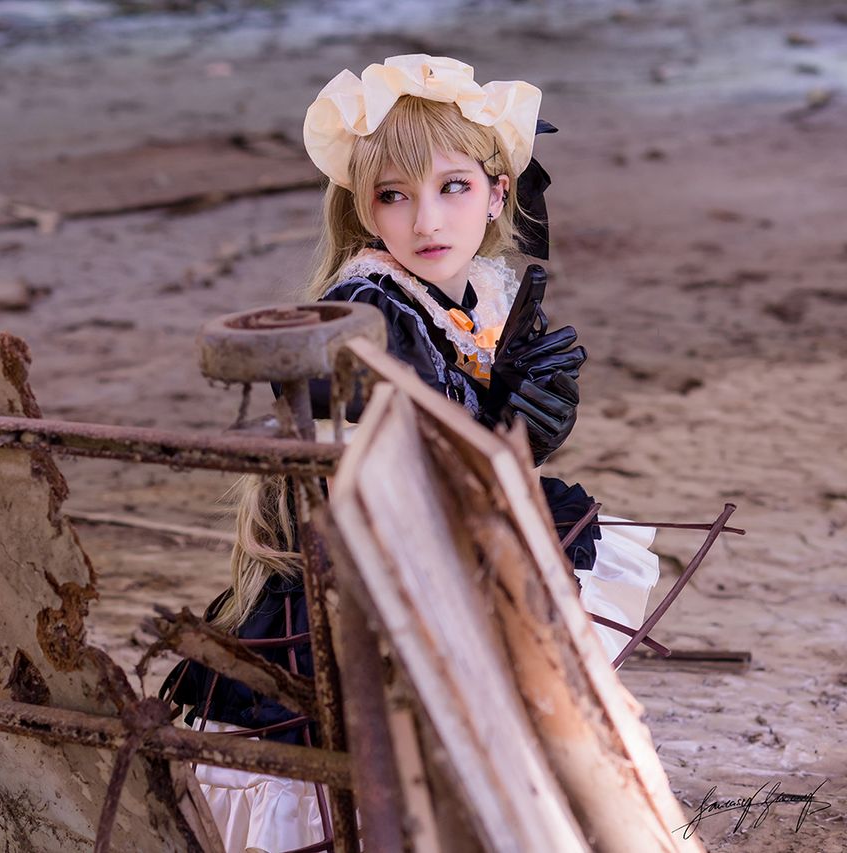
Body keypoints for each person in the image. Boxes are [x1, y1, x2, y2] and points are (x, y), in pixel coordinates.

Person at [161, 54, 660, 852]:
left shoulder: (476, 293)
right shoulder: (367, 310)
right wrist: (497, 434)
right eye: (394, 195)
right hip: (369, 568)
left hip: (437, 536)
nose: (427, 222)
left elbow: (450, 452)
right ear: (366, 209)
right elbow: (385, 484)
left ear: (497, 192)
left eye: (452, 187)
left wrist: (516, 429)